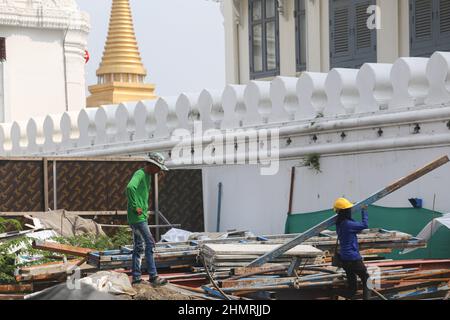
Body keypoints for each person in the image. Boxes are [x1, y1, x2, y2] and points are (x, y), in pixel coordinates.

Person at [127, 152, 169, 286]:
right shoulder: (140, 174)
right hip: (137, 217)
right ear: (152, 165)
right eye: (158, 168)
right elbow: (130, 187)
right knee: (150, 244)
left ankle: (137, 278)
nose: (158, 171)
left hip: (139, 217)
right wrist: (135, 207)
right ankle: (153, 276)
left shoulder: (148, 176)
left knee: (138, 247)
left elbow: (140, 193)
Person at [333, 198, 371, 300]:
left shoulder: (339, 223)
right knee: (367, 278)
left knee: (352, 289)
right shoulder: (348, 224)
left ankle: (336, 295)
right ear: (346, 211)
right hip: (353, 258)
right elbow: (365, 225)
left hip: (345, 259)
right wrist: (364, 210)